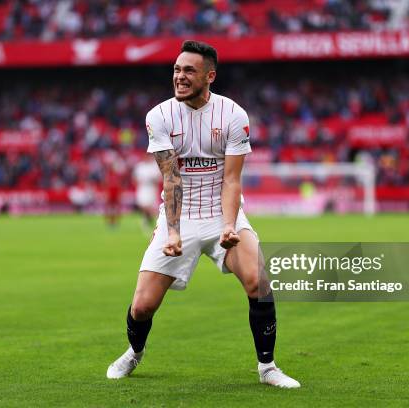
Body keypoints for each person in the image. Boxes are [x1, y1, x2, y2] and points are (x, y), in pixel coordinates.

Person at [107, 40, 300, 388]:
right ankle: (134, 352)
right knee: (142, 307)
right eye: (177, 70)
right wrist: (175, 231)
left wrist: (229, 226)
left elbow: (231, 179)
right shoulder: (159, 116)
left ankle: (268, 367)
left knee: (259, 280)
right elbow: (171, 178)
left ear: (210, 76)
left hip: (221, 209)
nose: (180, 77)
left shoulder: (233, 115)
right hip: (178, 214)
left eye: (189, 71)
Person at [133, 154, 162, 228]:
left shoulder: (154, 166)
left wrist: (152, 180)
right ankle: (147, 220)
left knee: (151, 206)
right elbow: (135, 178)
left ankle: (149, 221)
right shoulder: (140, 166)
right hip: (142, 188)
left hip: (151, 188)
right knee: (143, 205)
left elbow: (159, 177)